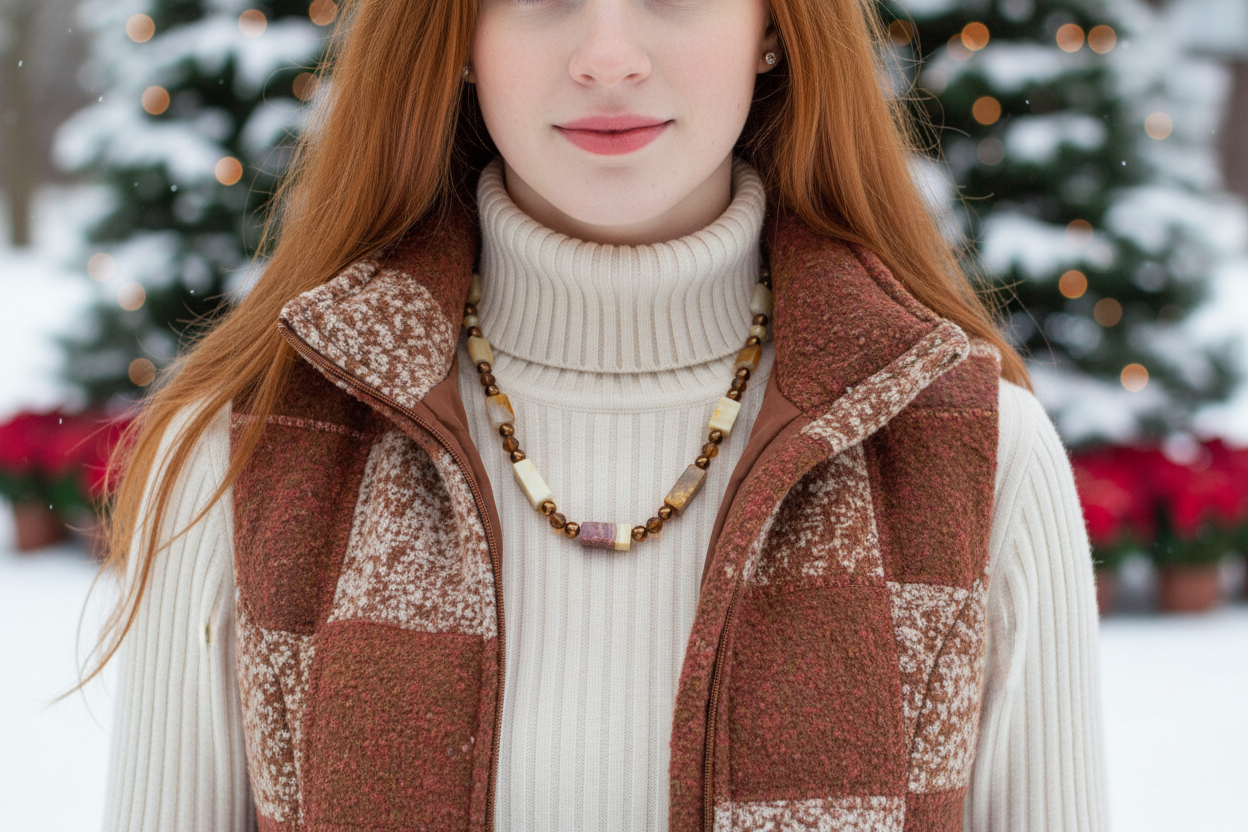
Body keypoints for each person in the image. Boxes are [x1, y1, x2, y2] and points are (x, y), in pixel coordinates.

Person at [93, 0, 1108, 828]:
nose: (608, 56)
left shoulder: (972, 451)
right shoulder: (249, 450)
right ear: (457, 35)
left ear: (771, 27)